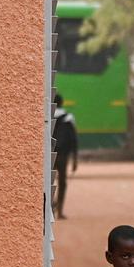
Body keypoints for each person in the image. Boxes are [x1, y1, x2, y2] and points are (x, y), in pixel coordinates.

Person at [53, 90, 80, 220]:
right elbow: (74, 139)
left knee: (47, 182)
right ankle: (60, 211)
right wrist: (75, 159)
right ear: (62, 103)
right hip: (63, 155)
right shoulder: (69, 117)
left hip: (49, 155)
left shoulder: (46, 116)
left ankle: (48, 207)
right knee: (62, 182)